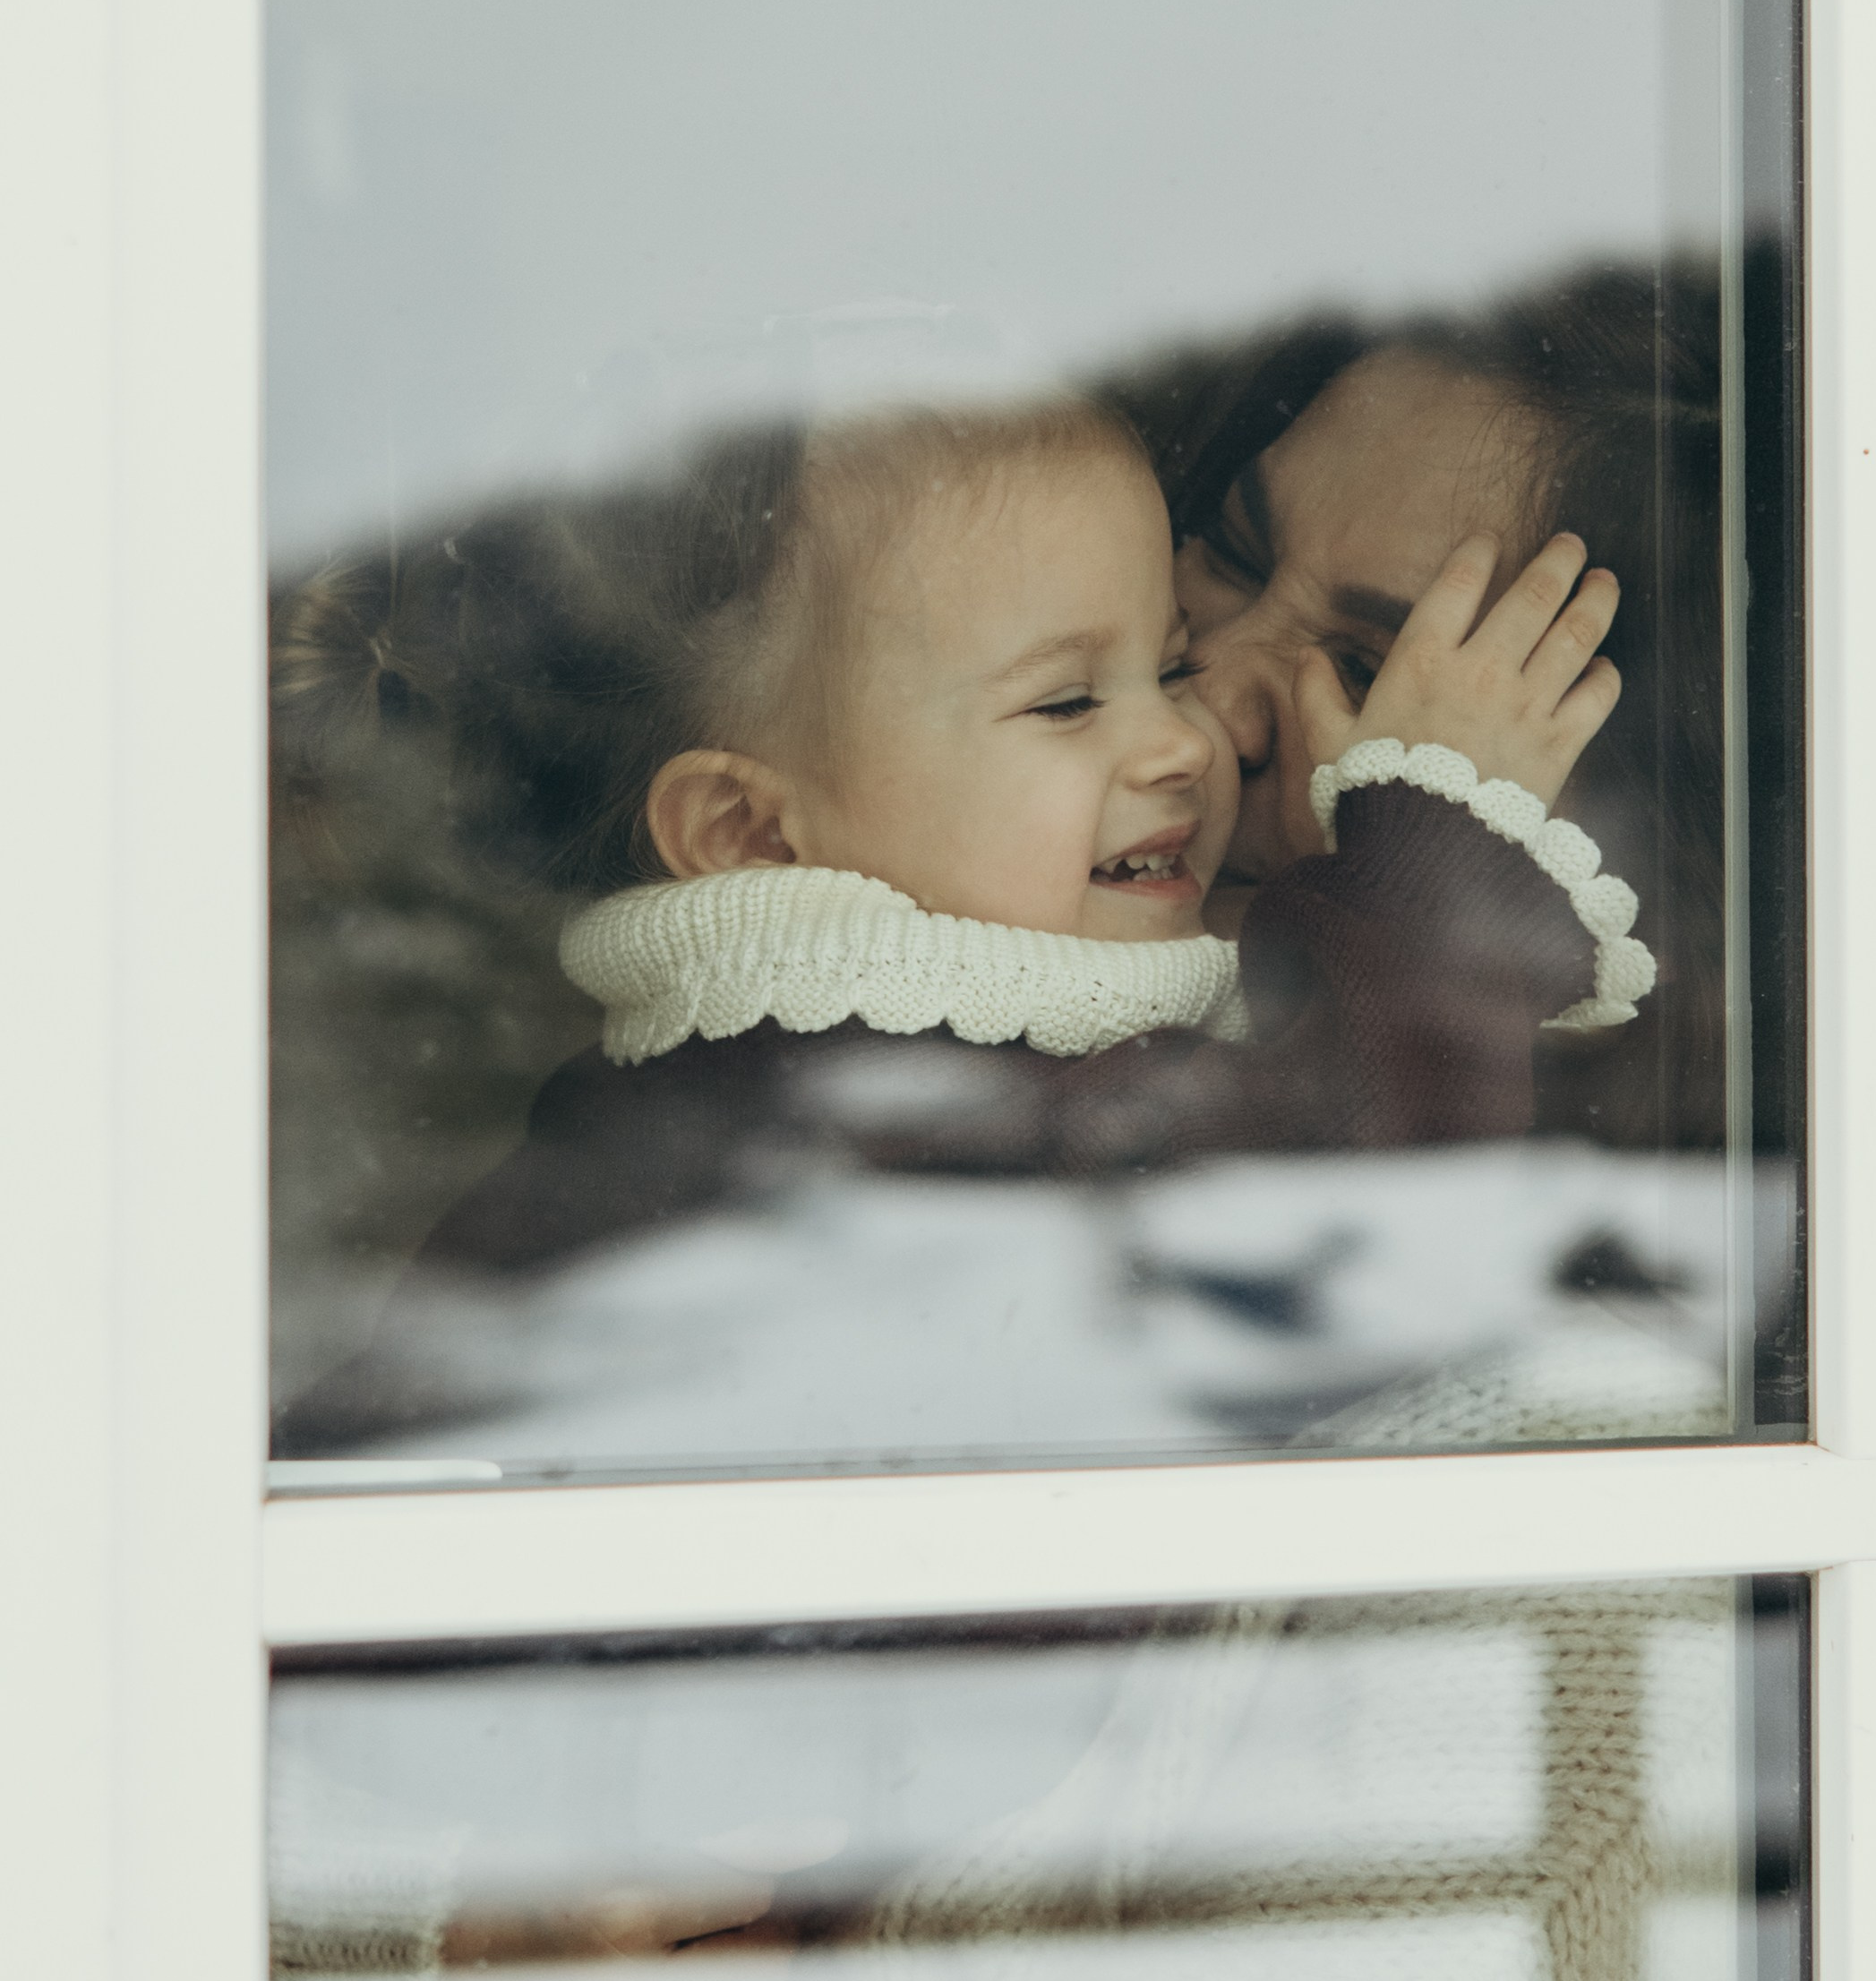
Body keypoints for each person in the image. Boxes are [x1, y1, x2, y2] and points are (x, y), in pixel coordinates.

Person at [271, 395, 1652, 1460]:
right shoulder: (827, 1087)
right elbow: (1305, 1192)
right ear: (751, 837)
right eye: (1068, 703)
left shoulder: (919, 1035)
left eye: (1164, 662)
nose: (1188, 734)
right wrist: (1434, 853)